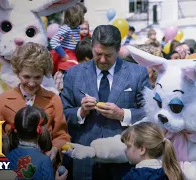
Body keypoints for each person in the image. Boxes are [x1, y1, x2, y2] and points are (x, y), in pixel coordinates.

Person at [61, 25, 151, 180]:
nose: (102, 60)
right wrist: (80, 112)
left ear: (118, 50)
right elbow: (63, 113)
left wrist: (123, 114)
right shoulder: (73, 74)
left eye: (108, 55)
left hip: (124, 159)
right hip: (85, 158)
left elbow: (150, 113)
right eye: (98, 54)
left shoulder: (137, 73)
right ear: (92, 48)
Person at [0, 42, 70, 163]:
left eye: (37, 77)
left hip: (44, 166)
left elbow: (62, 136)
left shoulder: (54, 100)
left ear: (44, 74)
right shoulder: (2, 101)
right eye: (26, 77)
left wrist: (55, 149)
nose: (32, 83)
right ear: (18, 73)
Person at [50, 3, 85, 70]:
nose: (83, 18)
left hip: (74, 53)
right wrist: (63, 54)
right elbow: (54, 41)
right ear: (76, 17)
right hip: (67, 55)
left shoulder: (76, 28)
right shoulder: (66, 29)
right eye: (82, 16)